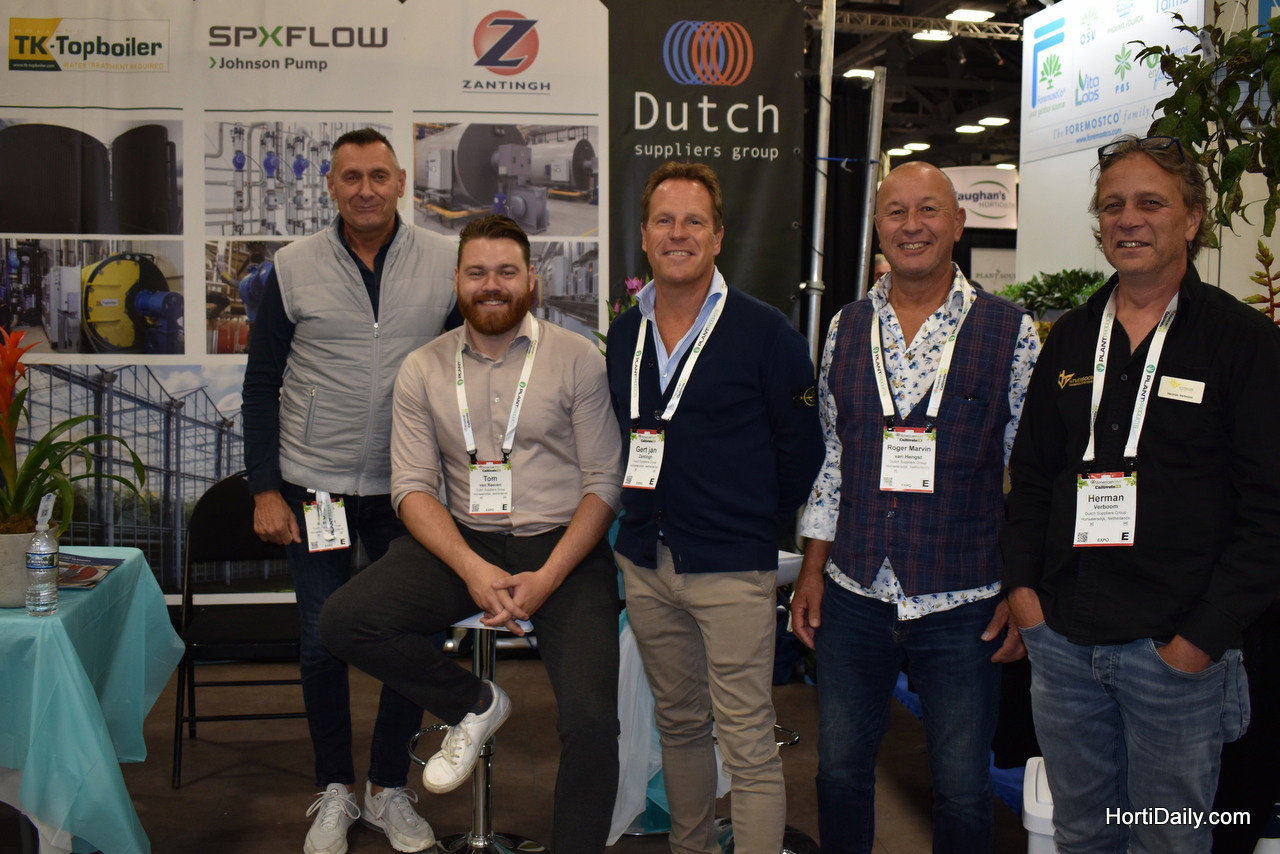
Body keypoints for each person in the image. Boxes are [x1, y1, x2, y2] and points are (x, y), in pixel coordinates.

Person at [1001, 134, 1280, 853]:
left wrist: (1198, 643)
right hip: (1065, 646)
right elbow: (1032, 479)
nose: (1128, 219)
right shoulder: (1069, 339)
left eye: (1150, 203)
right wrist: (1026, 600)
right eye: (1112, 205)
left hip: (1176, 655)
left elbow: (1269, 512)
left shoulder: (1243, 343)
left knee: (1167, 842)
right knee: (1082, 836)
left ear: (1192, 219)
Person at [319, 215, 623, 854]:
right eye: (478, 272)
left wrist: (549, 577)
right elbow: (411, 488)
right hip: (465, 541)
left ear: (531, 281)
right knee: (344, 620)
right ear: (457, 280)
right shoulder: (423, 368)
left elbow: (603, 482)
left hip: (561, 546)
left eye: (506, 272)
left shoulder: (576, 359)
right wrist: (471, 568)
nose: (492, 285)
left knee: (593, 724)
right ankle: (475, 702)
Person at [790, 160, 1040, 854]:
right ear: (878, 227)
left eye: (928, 209)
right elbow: (835, 458)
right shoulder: (846, 327)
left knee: (961, 789)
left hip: (964, 598)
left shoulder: (1010, 332)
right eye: (896, 212)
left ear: (958, 223)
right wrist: (813, 569)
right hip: (855, 591)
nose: (912, 226)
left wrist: (1023, 588)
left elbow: (1030, 478)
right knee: (839, 772)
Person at [241, 127, 455, 854]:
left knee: (408, 637)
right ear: (330, 186)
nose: (365, 190)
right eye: (351, 177)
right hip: (314, 485)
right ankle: (334, 786)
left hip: (409, 487)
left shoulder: (444, 261)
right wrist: (266, 489)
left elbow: (471, 365)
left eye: (378, 176)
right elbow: (261, 383)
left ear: (401, 182)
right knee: (320, 638)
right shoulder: (293, 267)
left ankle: (388, 788)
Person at [605, 161, 823, 854]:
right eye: (664, 221)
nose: (679, 234)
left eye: (694, 221)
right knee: (678, 726)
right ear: (645, 236)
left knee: (747, 740)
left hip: (731, 567)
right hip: (647, 564)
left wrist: (747, 517)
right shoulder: (626, 335)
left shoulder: (767, 333)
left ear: (719, 236)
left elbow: (803, 447)